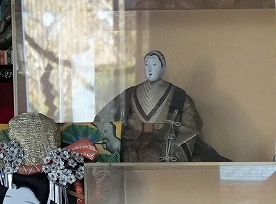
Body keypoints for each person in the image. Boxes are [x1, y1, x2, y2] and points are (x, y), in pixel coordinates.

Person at [94, 50, 226, 163]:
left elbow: (191, 124)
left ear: (163, 68)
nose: (150, 69)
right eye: (146, 65)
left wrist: (172, 148)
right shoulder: (129, 93)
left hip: (164, 148)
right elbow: (104, 119)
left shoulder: (178, 96)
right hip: (129, 150)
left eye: (154, 65)